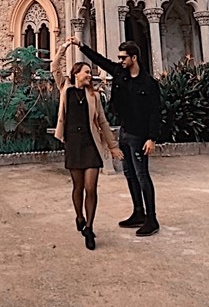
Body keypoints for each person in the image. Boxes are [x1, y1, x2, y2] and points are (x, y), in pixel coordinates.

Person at [69, 37, 161, 237]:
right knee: (129, 174)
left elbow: (155, 112)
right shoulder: (120, 74)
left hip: (140, 135)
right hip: (126, 132)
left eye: (123, 57)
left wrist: (151, 138)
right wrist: (81, 45)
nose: (120, 61)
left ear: (133, 58)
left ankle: (151, 219)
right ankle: (138, 212)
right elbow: (100, 60)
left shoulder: (149, 83)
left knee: (142, 175)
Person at [51, 40, 123, 250]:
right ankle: (79, 217)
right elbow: (54, 66)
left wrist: (112, 145)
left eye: (90, 72)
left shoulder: (93, 95)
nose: (89, 75)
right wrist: (65, 47)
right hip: (73, 143)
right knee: (78, 187)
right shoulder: (65, 87)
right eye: (85, 72)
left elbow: (102, 121)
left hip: (90, 143)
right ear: (76, 74)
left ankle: (90, 228)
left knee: (91, 188)